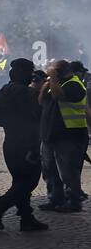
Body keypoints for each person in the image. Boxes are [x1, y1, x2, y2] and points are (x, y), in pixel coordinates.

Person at [0, 58, 47, 232]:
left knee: (20, 181)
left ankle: (26, 218)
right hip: (26, 145)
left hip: (10, 142)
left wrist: (9, 123)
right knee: (29, 181)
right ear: (25, 74)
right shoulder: (27, 94)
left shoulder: (5, 89)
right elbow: (37, 120)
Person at [36, 59, 88, 212]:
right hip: (50, 135)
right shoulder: (57, 84)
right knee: (49, 169)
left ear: (61, 71)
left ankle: (73, 201)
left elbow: (59, 96)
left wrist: (52, 78)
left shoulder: (74, 84)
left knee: (67, 171)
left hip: (68, 135)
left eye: (53, 71)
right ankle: (55, 199)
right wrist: (46, 85)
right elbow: (41, 101)